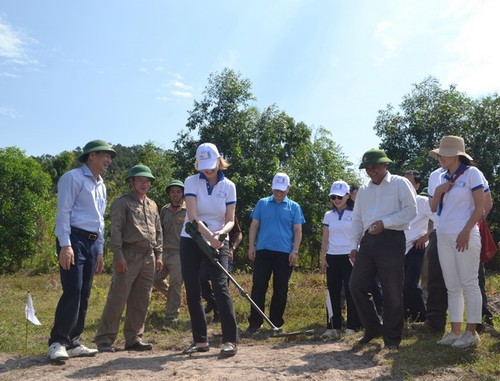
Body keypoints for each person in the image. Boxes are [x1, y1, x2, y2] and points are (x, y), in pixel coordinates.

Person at [48, 139, 116, 361]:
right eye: (105, 155)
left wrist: (100, 250)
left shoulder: (101, 184)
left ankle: (74, 341)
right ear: (91, 156)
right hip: (73, 239)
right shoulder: (73, 178)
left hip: (91, 240)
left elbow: (100, 221)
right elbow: (63, 212)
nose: (109, 160)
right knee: (73, 289)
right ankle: (58, 341)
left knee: (85, 291)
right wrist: (65, 244)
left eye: (110, 156)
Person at [349, 149, 417, 350]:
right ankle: (373, 328)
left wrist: (385, 223)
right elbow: (357, 219)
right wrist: (354, 245)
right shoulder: (364, 190)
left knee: (392, 290)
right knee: (356, 285)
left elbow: (411, 210)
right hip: (368, 240)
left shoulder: (399, 183)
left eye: (375, 166)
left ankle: (392, 339)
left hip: (392, 238)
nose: (372, 171)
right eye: (368, 167)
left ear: (385, 165)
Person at [94, 165, 163, 352]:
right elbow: (115, 230)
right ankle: (104, 339)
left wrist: (159, 255)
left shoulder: (153, 204)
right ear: (131, 182)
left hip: (148, 256)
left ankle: (133, 338)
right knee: (118, 297)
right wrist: (118, 256)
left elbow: (158, 231)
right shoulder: (122, 203)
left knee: (141, 300)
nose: (144, 184)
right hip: (128, 255)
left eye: (147, 181)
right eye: (140, 180)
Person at [179, 142, 239, 357]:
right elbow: (193, 217)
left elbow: (230, 220)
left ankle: (230, 340)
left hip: (218, 238)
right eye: (203, 165)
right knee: (193, 289)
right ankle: (200, 341)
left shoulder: (229, 186)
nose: (208, 169)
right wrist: (208, 237)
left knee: (221, 287)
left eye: (211, 164)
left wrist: (220, 235)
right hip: (192, 238)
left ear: (219, 160)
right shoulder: (191, 182)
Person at [428, 136, 484, 348]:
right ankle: (455, 331)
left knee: (469, 282)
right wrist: (438, 192)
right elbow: (433, 209)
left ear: (456, 155)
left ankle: (472, 332)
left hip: (465, 235)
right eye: (439, 154)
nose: (440, 157)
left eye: (443, 153)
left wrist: (466, 231)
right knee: (452, 285)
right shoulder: (441, 176)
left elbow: (480, 207)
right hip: (443, 235)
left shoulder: (472, 173)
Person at [245, 172, 306, 334]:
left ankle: (275, 323)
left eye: (282, 190)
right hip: (263, 251)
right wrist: (251, 246)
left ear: (288, 188)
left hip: (284, 254)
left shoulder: (294, 207)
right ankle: (255, 322)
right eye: (276, 189)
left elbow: (298, 230)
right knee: (258, 286)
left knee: (281, 288)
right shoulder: (262, 203)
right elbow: (254, 226)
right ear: (272, 188)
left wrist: (295, 250)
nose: (278, 193)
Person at [320, 180, 361, 340]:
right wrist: (323, 257)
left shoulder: (355, 212)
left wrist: (357, 252)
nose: (336, 200)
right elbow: (325, 238)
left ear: (347, 196)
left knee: (351, 291)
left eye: (339, 196)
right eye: (333, 197)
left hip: (350, 256)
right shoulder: (328, 215)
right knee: (333, 292)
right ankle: (332, 326)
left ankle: (353, 325)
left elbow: (360, 234)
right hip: (332, 256)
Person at [153, 179, 186, 325]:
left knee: (175, 284)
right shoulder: (164, 209)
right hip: (164, 252)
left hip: (180, 253)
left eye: (178, 192)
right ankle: (174, 299)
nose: (175, 195)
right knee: (155, 278)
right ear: (168, 194)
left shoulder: (188, 210)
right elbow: (159, 230)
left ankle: (171, 316)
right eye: (172, 192)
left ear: (183, 193)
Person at [403, 170, 434, 323]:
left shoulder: (422, 201)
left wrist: (425, 236)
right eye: (404, 182)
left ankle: (421, 317)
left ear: (417, 185)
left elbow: (439, 221)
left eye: (409, 183)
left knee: (410, 283)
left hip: (417, 247)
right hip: (398, 248)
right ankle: (404, 316)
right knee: (398, 284)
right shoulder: (397, 202)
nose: (406, 186)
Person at [201, 216, 243, 322]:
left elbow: (239, 234)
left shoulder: (229, 215)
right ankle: (212, 302)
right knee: (200, 279)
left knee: (220, 285)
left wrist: (232, 249)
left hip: (224, 252)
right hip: (205, 251)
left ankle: (219, 315)